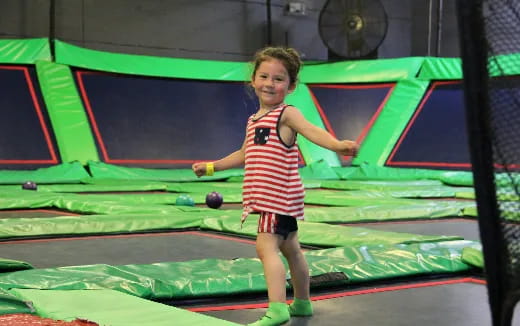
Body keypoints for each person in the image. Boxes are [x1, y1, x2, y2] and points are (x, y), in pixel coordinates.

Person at [192, 46, 359, 326]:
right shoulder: (254, 120)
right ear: (254, 81)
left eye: (279, 79)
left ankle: (278, 308)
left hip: (276, 197)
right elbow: (243, 154)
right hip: (276, 198)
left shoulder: (286, 114)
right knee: (291, 248)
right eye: (264, 76)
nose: (270, 83)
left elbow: (311, 130)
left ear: (291, 86)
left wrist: (337, 145)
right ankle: (303, 303)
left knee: (265, 247)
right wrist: (211, 167)